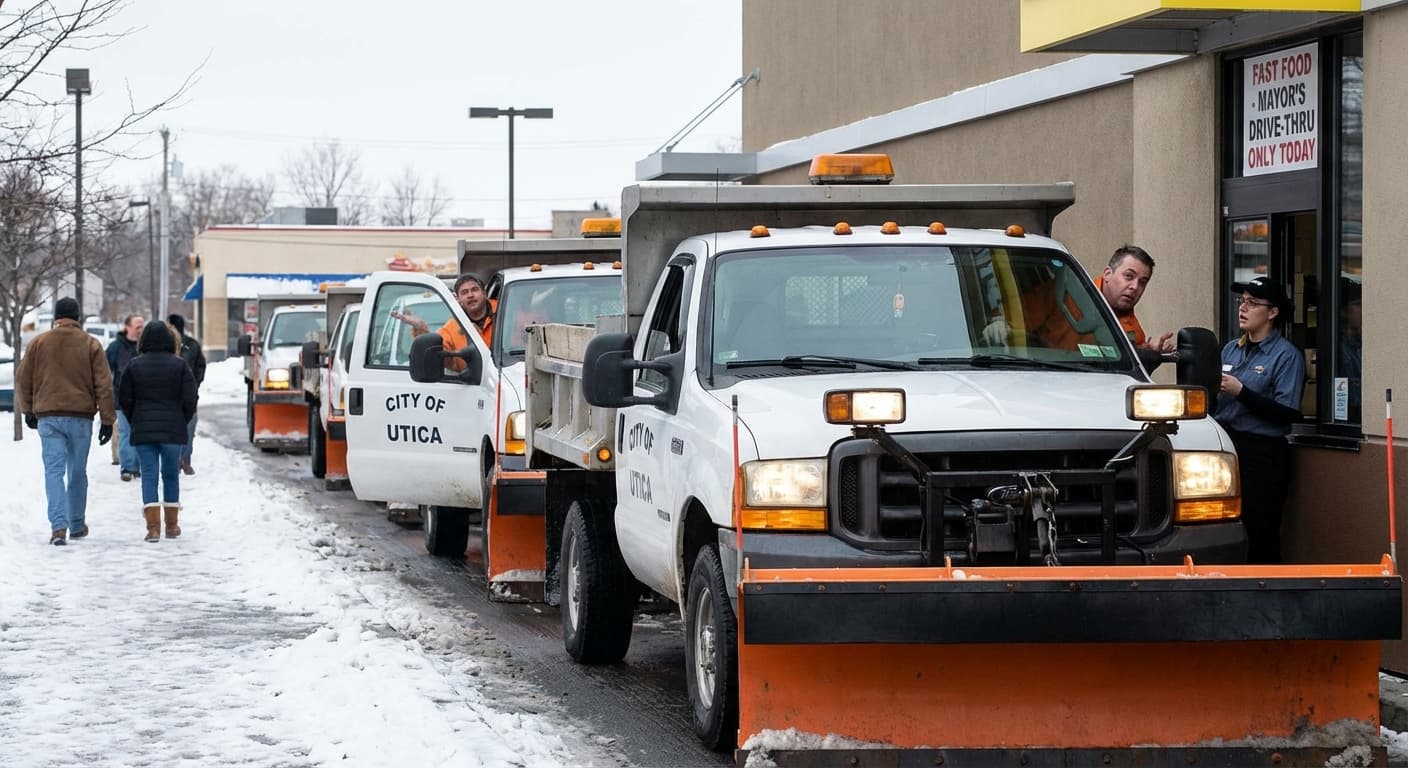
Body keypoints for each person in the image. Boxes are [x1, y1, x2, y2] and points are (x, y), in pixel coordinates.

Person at [1213, 276, 1306, 564]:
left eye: (1252, 303)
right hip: (1226, 448)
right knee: (1222, 528)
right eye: (1242, 301)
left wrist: (1242, 392)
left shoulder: (1287, 356)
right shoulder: (1231, 349)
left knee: (1260, 530)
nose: (1243, 308)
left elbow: (1287, 412)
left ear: (1272, 312)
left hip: (1263, 453)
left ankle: (1264, 587)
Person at [15, 297, 116, 545]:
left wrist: (29, 410)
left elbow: (22, 379)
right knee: (77, 472)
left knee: (54, 471)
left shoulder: (38, 343)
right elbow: (104, 385)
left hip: (49, 417)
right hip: (80, 417)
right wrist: (107, 420)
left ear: (56, 318)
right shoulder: (91, 344)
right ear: (78, 317)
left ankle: (58, 527)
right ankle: (77, 524)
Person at [119, 320, 197, 543]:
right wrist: (181, 418)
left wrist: (136, 419)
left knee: (149, 475)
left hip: (144, 430)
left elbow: (124, 398)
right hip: (172, 430)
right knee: (171, 474)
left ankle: (153, 529)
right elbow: (190, 398)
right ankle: (172, 526)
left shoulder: (134, 366)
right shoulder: (180, 365)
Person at [1094, 245, 1176, 355]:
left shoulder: (1134, 329)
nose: (1135, 287)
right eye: (1129, 276)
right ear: (1107, 274)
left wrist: (1150, 351)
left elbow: (1132, 361)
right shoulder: (1074, 304)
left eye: (1142, 282)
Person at [106, 314, 145, 481]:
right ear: (127, 327)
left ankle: (139, 466)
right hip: (122, 399)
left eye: (142, 326)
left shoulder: (146, 346)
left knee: (141, 434)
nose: (141, 330)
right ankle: (128, 468)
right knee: (126, 433)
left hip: (143, 399)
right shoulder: (115, 348)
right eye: (137, 327)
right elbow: (105, 370)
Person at [168, 313, 206, 475]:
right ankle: (176, 459)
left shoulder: (191, 345)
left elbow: (200, 366)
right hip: (171, 395)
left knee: (188, 427)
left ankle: (184, 459)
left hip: (187, 395)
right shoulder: (167, 345)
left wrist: (194, 384)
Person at [1338, 278, 1363, 424]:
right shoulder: (1339, 351)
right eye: (1358, 305)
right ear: (1345, 312)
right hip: (1348, 419)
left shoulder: (1359, 345)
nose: (1363, 310)